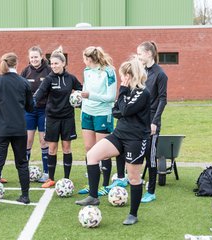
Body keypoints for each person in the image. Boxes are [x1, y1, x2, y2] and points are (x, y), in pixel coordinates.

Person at [75, 55, 150, 226]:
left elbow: (124, 109)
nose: (121, 78)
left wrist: (122, 97)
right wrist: (122, 105)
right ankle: (93, 196)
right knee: (92, 155)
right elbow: (116, 111)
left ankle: (133, 214)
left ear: (130, 76)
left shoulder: (143, 92)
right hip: (119, 134)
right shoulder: (127, 92)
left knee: (133, 178)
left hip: (136, 139)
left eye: (123, 75)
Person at [0, 52, 34, 209]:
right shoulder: (23, 82)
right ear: (16, 64)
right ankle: (25, 196)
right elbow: (31, 107)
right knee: (22, 163)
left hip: (0, 130)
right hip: (19, 129)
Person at [34, 46, 82, 188]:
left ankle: (66, 179)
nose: (53, 66)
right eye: (52, 63)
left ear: (63, 63)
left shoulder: (71, 78)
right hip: (52, 118)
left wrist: (78, 97)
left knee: (67, 148)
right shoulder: (48, 79)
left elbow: (80, 89)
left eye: (56, 63)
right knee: (52, 148)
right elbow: (39, 94)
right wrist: (29, 102)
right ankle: (51, 178)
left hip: (67, 117)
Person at [77, 46, 117, 196]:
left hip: (103, 113)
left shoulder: (109, 71)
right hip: (87, 112)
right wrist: (81, 104)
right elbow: (85, 91)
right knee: (89, 148)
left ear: (90, 59)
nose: (84, 61)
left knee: (103, 151)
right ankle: (92, 183)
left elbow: (111, 97)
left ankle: (105, 185)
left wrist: (90, 96)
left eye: (85, 59)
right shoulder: (86, 71)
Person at [137, 41, 168, 203]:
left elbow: (163, 100)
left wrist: (155, 122)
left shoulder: (160, 74)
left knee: (150, 156)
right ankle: (135, 182)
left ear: (149, 53)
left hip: (151, 121)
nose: (138, 56)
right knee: (136, 153)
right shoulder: (141, 71)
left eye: (140, 53)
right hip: (138, 119)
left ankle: (151, 191)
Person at [21, 46, 51, 183]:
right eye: (31, 57)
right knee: (28, 140)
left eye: (36, 57)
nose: (34, 59)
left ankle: (46, 172)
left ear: (41, 56)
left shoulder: (49, 71)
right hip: (29, 111)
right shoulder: (25, 71)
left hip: (44, 110)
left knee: (44, 140)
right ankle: (24, 171)